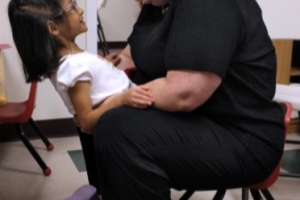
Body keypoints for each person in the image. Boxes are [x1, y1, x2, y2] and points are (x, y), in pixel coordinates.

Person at [90, 0, 285, 199]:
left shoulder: (208, 6)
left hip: (241, 134)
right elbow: (131, 56)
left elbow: (183, 92)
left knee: (119, 131)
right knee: (92, 111)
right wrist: (97, 75)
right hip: (199, 118)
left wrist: (117, 100)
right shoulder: (156, 6)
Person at [7, 0, 153, 198]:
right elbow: (86, 120)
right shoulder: (74, 68)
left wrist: (103, 67)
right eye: (73, 7)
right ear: (53, 27)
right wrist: (122, 99)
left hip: (116, 126)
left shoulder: (72, 61)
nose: (81, 9)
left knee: (105, 183)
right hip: (118, 128)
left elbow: (94, 91)